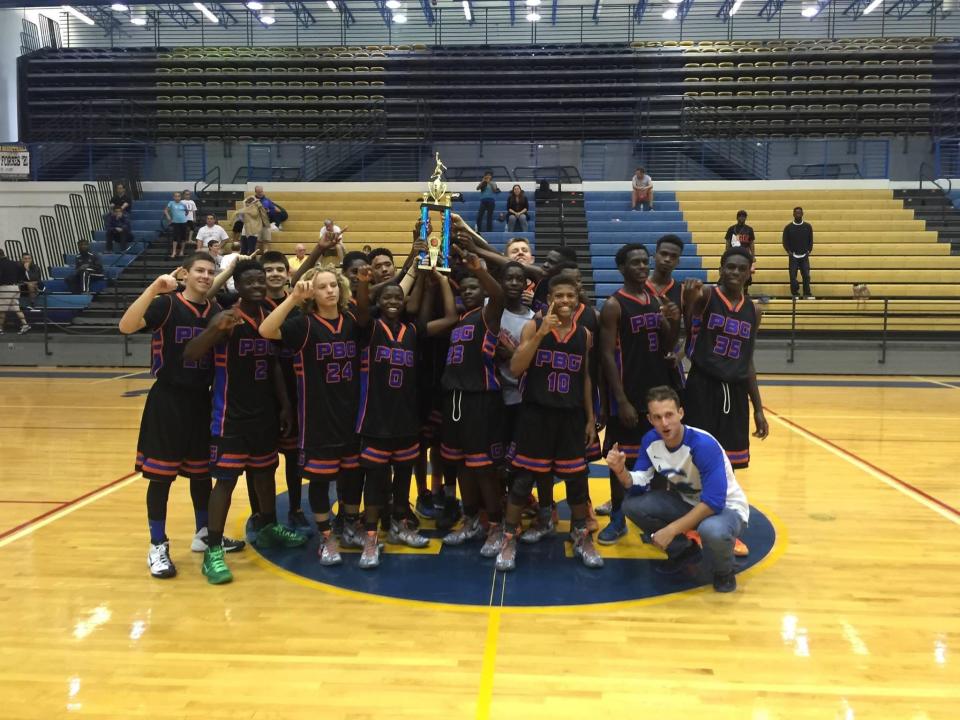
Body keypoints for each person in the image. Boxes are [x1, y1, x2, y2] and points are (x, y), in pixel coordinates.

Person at [118, 252, 244, 579]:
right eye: (199, 270)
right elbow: (126, 326)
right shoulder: (167, 305)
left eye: (210, 271)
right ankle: (157, 545)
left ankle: (204, 534)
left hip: (201, 401)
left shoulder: (216, 311)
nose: (205, 276)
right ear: (185, 274)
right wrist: (153, 289)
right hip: (168, 399)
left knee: (202, 475)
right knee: (161, 477)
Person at [184, 260, 306, 585]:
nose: (256, 285)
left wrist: (284, 406)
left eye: (259, 280)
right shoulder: (227, 317)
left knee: (265, 473)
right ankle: (213, 550)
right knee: (225, 481)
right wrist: (214, 330)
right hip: (230, 415)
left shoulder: (269, 318)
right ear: (238, 285)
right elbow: (190, 355)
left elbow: (276, 365)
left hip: (264, 413)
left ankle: (266, 527)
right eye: (249, 281)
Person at [260, 268, 368, 566]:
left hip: (351, 414)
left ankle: (347, 524)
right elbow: (266, 330)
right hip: (317, 417)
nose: (330, 291)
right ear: (313, 293)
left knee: (351, 477)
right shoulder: (303, 325)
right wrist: (294, 296)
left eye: (334, 285)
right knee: (320, 482)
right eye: (322, 287)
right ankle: (325, 535)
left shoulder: (352, 321)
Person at [495, 274, 602, 572]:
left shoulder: (585, 334)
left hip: (570, 417)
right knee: (522, 481)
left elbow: (585, 378)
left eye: (570, 295)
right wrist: (541, 332)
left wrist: (591, 418)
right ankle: (508, 537)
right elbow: (516, 367)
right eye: (559, 296)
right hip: (536, 414)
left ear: (578, 296)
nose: (565, 301)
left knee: (577, 482)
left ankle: (580, 535)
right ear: (549, 298)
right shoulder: (533, 325)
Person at [353, 267, 459, 568]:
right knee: (375, 483)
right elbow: (361, 311)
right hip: (375, 417)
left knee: (402, 479)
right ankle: (372, 536)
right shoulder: (370, 328)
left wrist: (434, 279)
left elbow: (450, 319)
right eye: (386, 296)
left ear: (405, 302)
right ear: (378, 301)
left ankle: (400, 523)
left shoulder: (413, 331)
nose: (392, 301)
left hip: (405, 418)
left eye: (397, 297)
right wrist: (364, 284)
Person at [608, 385, 750, 593]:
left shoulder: (702, 445)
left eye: (669, 415)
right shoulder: (651, 441)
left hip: (726, 509)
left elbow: (713, 503)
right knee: (632, 506)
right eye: (657, 417)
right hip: (687, 502)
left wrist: (671, 530)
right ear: (650, 419)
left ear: (681, 413)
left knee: (710, 529)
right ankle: (684, 552)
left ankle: (723, 571)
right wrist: (621, 472)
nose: (664, 423)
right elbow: (638, 483)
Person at [595, 243, 680, 545]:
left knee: (659, 458)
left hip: (656, 394)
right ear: (622, 268)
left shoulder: (657, 299)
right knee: (621, 459)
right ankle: (618, 518)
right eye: (635, 263)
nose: (643, 267)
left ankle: (651, 517)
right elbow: (606, 356)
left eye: (645, 262)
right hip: (628, 394)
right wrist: (620, 401)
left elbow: (669, 343)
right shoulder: (614, 305)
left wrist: (673, 319)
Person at [438, 250, 507, 557]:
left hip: (481, 398)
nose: (467, 292)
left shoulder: (488, 315)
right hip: (454, 399)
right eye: (463, 289)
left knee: (483, 467)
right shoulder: (460, 320)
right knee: (462, 463)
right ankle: (470, 519)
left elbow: (498, 293)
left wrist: (479, 270)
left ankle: (495, 524)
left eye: (473, 288)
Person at [682, 246, 769, 470]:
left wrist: (758, 408)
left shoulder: (754, 311)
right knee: (694, 459)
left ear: (750, 272)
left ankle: (717, 504)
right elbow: (689, 319)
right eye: (730, 267)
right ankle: (692, 504)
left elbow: (748, 360)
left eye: (742, 268)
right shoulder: (707, 296)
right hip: (702, 385)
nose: (735, 272)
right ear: (720, 270)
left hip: (736, 390)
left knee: (728, 464)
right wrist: (689, 299)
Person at [783, 206, 814, 299]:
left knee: (806, 276)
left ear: (802, 214)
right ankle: (795, 294)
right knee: (793, 277)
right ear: (793, 214)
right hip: (793, 256)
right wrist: (789, 252)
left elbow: (810, 240)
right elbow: (785, 241)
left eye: (800, 213)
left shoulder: (807, 226)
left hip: (804, 255)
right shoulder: (788, 227)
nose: (798, 214)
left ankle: (806, 293)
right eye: (796, 213)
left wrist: (808, 251)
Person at [0, 249, 30, 335]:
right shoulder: (14, 263)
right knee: (16, 307)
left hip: (5, 288)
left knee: (1, 309)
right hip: (15, 287)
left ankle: (0, 329)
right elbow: (22, 272)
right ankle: (25, 325)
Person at [163, 191, 189, 259]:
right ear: (173, 197)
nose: (177, 197)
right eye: (176, 196)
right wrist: (168, 216)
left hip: (183, 222)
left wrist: (183, 217)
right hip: (175, 223)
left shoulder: (183, 204)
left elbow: (187, 212)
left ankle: (181, 252)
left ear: (181, 197)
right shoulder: (171, 203)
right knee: (175, 238)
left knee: (183, 238)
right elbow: (165, 210)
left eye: (179, 196)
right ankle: (174, 252)